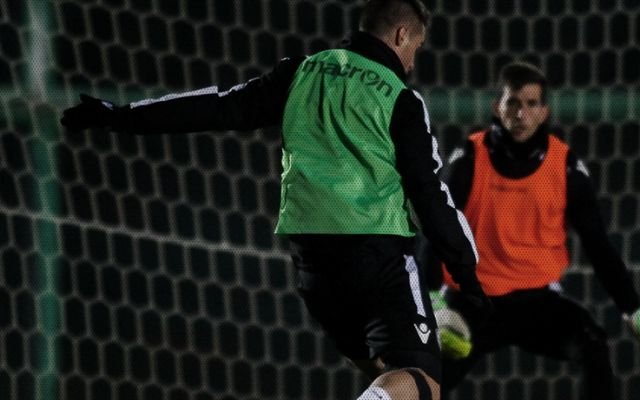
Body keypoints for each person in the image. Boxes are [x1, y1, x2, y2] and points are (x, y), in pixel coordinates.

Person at [61, 1, 492, 399]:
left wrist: (119, 115)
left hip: (311, 263)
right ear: (401, 35)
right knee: (423, 382)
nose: (413, 61)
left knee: (381, 373)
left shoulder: (301, 73)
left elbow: (217, 107)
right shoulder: (400, 98)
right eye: (417, 46)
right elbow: (430, 196)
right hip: (376, 256)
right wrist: (468, 277)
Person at [432, 61, 640, 399]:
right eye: (513, 102)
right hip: (475, 299)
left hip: (538, 301)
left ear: (544, 112)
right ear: (497, 107)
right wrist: (430, 296)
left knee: (593, 344)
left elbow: (598, 244)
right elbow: (436, 225)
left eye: (531, 104)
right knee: (425, 375)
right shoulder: (469, 158)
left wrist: (631, 308)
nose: (521, 114)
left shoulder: (565, 166)